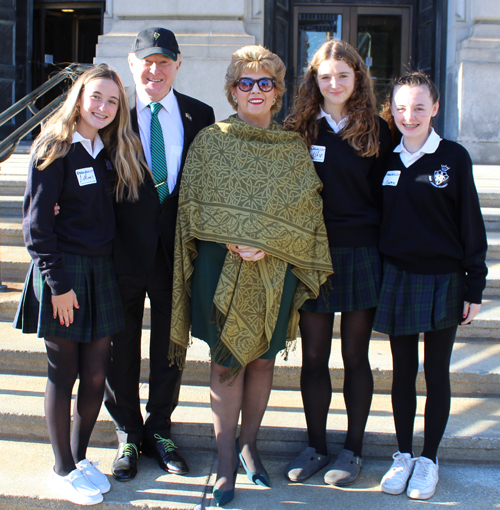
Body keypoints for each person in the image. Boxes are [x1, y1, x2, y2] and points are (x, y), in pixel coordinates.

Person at [169, 45, 332, 507]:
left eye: (265, 83)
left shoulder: (290, 148)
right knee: (226, 359)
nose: (255, 90)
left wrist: (269, 242)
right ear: (233, 89)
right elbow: (193, 205)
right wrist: (232, 237)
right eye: (245, 82)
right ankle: (224, 458)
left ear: (278, 91)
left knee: (262, 357)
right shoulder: (211, 140)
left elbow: (306, 210)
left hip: (275, 267)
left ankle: (249, 444)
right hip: (220, 265)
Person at [14, 64, 146, 505]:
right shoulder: (55, 145)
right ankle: (61, 468)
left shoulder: (105, 151)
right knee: (64, 373)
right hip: (64, 275)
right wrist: (57, 284)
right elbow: (35, 226)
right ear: (79, 97)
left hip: (100, 273)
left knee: (95, 375)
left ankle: (79, 456)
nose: (104, 107)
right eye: (97, 97)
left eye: (113, 101)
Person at [103, 27, 215, 481]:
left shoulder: (200, 115)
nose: (155, 69)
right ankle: (128, 432)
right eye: (147, 61)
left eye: (164, 61)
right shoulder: (113, 115)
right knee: (120, 347)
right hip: (121, 253)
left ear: (178, 64)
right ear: (132, 65)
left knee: (171, 347)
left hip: (176, 252)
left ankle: (160, 429)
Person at [282, 40, 391, 486]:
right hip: (312, 253)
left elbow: (391, 195)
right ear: (314, 80)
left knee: (355, 356)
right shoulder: (299, 128)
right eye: (325, 76)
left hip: (361, 251)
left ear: (358, 78)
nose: (334, 83)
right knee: (313, 357)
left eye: (343, 75)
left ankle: (353, 450)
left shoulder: (379, 131)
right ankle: (316, 447)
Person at [375, 71, 487, 500]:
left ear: (435, 108)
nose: (409, 115)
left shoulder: (453, 157)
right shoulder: (385, 158)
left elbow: (470, 223)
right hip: (397, 277)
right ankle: (403, 455)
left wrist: (473, 285)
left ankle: (429, 460)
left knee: (435, 372)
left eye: (419, 107)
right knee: (402, 371)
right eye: (401, 107)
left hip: (443, 280)